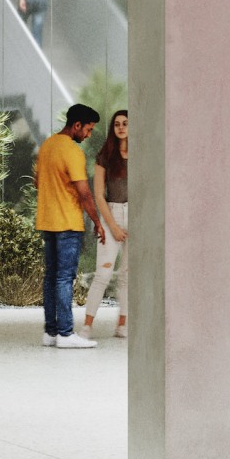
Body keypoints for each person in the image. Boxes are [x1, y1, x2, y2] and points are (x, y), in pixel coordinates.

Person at [34, 103, 112, 348]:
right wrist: (98, 222)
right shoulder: (72, 151)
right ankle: (66, 334)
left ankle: (51, 333)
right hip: (67, 223)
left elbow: (38, 182)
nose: (88, 134)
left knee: (51, 277)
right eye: (88, 129)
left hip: (47, 221)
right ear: (76, 125)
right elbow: (85, 193)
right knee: (64, 278)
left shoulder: (47, 146)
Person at [80, 109, 130, 338]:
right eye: (117, 123)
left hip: (136, 216)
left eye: (126, 123)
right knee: (103, 275)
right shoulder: (105, 156)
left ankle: (122, 324)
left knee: (128, 275)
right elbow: (98, 195)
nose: (121, 127)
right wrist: (114, 227)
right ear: (113, 128)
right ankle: (87, 325)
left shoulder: (142, 155)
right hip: (112, 214)